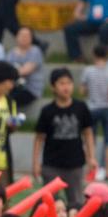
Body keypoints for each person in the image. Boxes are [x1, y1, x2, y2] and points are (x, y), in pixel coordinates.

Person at [34, 68, 96, 207]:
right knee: (50, 202)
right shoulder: (47, 111)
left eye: (69, 83)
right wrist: (36, 163)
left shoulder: (81, 107)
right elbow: (39, 138)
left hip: (75, 165)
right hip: (51, 164)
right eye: (61, 83)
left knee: (77, 203)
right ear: (53, 87)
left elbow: (88, 133)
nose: (66, 87)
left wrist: (91, 157)